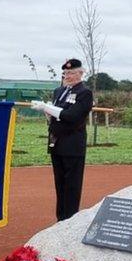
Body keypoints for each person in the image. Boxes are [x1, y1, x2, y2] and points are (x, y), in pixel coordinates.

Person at [31, 59, 93, 221]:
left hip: (72, 144)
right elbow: (54, 116)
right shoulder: (59, 91)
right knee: (60, 184)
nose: (68, 76)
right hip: (56, 142)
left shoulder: (84, 93)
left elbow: (72, 116)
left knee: (72, 186)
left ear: (81, 73)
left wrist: (47, 107)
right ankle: (60, 219)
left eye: (72, 73)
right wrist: (47, 112)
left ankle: (70, 220)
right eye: (65, 73)